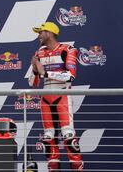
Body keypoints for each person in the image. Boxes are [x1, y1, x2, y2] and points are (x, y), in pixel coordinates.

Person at [28, 22, 83, 171]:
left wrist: (45, 73)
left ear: (50, 33)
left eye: (41, 32)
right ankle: (53, 168)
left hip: (63, 95)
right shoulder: (39, 52)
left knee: (68, 135)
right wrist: (34, 70)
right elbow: (33, 83)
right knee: (48, 137)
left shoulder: (68, 49)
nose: (38, 35)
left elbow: (70, 76)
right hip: (45, 98)